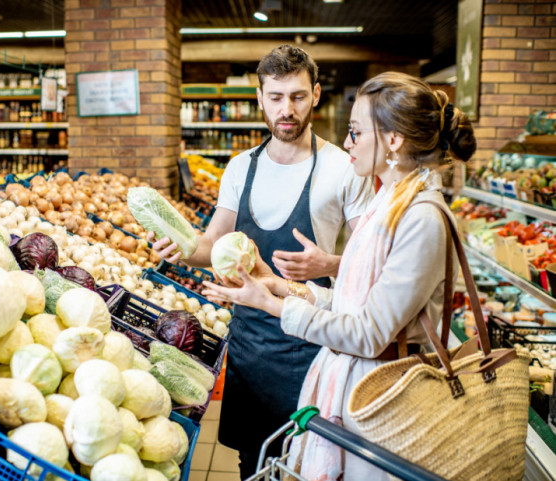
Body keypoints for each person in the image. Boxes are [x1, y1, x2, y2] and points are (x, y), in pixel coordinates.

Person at [202, 71, 477, 480]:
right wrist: (285, 287)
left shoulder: (420, 218)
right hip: (357, 390)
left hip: (382, 400)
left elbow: (367, 333)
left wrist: (274, 306)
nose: (348, 142)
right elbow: (353, 303)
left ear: (394, 141)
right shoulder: (391, 204)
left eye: (356, 131)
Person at [150, 45, 374, 478]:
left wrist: (327, 264)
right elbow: (211, 245)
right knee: (251, 463)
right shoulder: (240, 168)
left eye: (296, 96)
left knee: (309, 465)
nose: (286, 109)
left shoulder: (342, 169)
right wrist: (180, 247)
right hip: (250, 346)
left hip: (313, 338)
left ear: (315, 95)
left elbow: (370, 265)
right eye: (275, 97)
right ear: (260, 98)